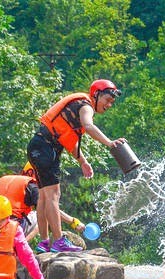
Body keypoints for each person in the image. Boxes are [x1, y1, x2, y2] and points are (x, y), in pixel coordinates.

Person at [27, 79, 127, 253]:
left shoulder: (77, 107)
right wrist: (109, 143)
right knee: (53, 196)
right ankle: (58, 241)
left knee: (44, 198)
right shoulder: (86, 105)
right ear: (96, 95)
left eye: (112, 102)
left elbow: (68, 140)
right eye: (107, 100)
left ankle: (44, 242)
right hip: (46, 149)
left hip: (38, 146)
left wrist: (82, 161)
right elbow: (88, 126)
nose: (109, 105)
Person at [0, 172, 86, 252]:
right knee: (40, 212)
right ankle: (21, 245)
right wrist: (73, 222)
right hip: (11, 227)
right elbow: (50, 209)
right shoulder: (32, 186)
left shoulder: (7, 180)